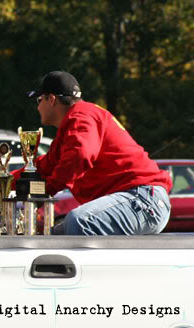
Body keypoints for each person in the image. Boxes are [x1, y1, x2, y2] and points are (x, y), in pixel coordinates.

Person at [14, 71, 171, 235]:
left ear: (51, 100)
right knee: (57, 235)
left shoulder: (81, 116)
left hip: (142, 200)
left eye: (39, 100)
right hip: (137, 201)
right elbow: (43, 167)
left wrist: (46, 191)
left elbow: (80, 156)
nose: (38, 107)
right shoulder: (72, 127)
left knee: (80, 221)